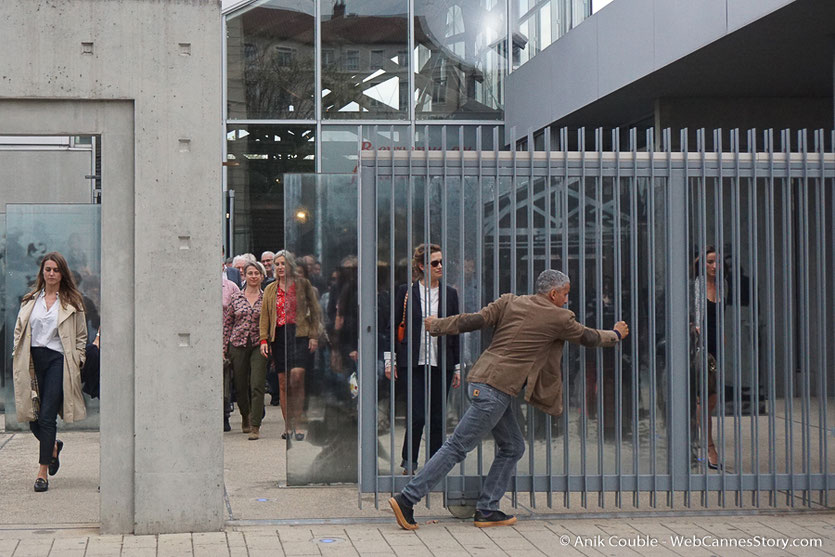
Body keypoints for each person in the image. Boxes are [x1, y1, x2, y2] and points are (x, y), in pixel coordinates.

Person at [389, 269, 628, 529]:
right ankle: (407, 499)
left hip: (483, 382)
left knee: (513, 446)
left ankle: (487, 509)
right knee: (456, 447)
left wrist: (438, 325)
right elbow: (588, 336)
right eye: (566, 294)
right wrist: (615, 334)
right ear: (554, 293)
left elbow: (474, 320)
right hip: (495, 390)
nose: (566, 300)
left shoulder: (509, 301)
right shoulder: (559, 317)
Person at [12, 252, 88, 493]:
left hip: (58, 360)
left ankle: (42, 472)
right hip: (32, 361)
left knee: (46, 417)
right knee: (31, 416)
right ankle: (53, 446)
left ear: (62, 273)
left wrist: (78, 360)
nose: (52, 273)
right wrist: (17, 352)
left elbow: (81, 337)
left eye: (56, 269)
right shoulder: (30, 300)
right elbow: (19, 330)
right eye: (48, 269)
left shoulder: (72, 302)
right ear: (42, 272)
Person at [386, 243, 460, 475]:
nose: (440, 266)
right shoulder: (406, 292)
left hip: (442, 360)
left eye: (441, 262)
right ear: (422, 266)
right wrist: (391, 360)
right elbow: (392, 326)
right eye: (434, 263)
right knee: (417, 414)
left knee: (438, 417)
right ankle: (409, 461)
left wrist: (457, 366)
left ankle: (434, 466)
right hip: (413, 361)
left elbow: (455, 328)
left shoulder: (450, 293)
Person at [260, 251, 321, 441]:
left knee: (297, 377)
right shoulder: (270, 289)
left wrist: (313, 336)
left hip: (300, 334)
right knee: (283, 382)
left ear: (291, 265)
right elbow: (265, 316)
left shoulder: (303, 285)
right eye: (276, 264)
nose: (279, 267)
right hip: (278, 336)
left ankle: (300, 422)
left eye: (283, 263)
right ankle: (288, 425)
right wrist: (263, 340)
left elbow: (315, 311)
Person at [223, 261, 268, 440]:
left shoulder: (266, 298)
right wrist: (224, 347)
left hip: (259, 343)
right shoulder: (236, 297)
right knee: (241, 386)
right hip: (237, 344)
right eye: (250, 273)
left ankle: (255, 425)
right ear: (245, 276)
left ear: (262, 276)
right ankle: (245, 416)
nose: (253, 276)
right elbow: (228, 323)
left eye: (257, 273)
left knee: (257, 384)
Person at [692, 245, 722, 470]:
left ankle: (696, 437)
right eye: (710, 261)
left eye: (717, 262)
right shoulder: (697, 286)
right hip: (698, 346)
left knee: (710, 400)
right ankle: (709, 446)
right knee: (704, 398)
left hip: (715, 347)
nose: (714, 266)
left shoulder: (723, 286)